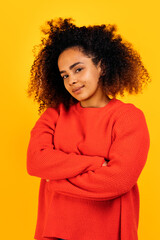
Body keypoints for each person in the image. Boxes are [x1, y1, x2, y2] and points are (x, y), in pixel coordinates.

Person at [27, 17, 150, 240]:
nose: (71, 80)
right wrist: (94, 164)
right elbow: (36, 162)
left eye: (78, 69)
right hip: (56, 232)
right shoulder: (54, 115)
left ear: (101, 66)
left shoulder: (128, 117)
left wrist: (54, 179)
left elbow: (118, 181)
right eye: (65, 75)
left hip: (109, 232)